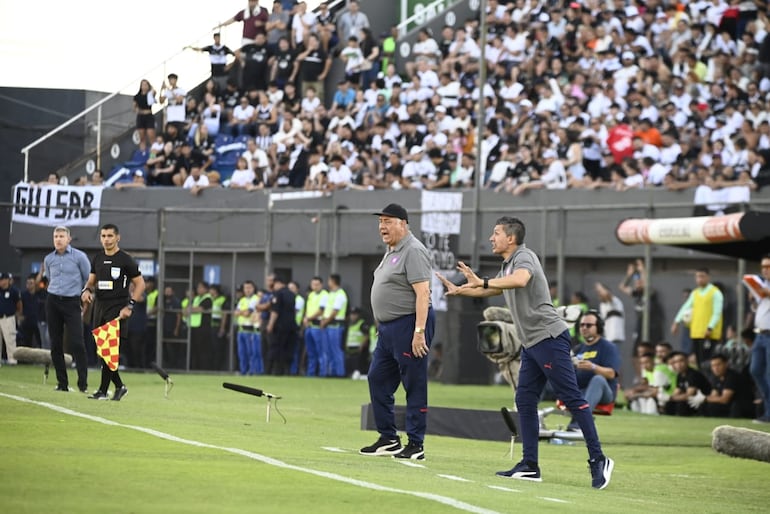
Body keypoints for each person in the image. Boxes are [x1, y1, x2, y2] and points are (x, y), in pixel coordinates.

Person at [435, 216, 614, 489]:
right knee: (525, 400)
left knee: (571, 398)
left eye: (496, 233)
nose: (491, 238)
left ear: (511, 238)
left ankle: (599, 459)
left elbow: (519, 281)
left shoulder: (524, 257)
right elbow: (492, 287)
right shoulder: (507, 264)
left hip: (550, 339)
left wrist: (482, 282)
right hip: (531, 344)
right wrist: (461, 289)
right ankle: (530, 465)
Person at [360, 203, 435, 461]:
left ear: (403, 223)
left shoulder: (413, 250)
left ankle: (416, 443)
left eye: (388, 221)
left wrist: (419, 331)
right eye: (380, 221)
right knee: (377, 379)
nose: (382, 226)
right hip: (389, 328)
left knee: (413, 383)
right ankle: (389, 438)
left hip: (409, 323)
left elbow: (423, 293)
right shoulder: (392, 250)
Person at [81, 224, 145, 401]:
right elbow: (91, 281)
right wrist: (86, 291)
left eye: (110, 236)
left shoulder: (125, 259)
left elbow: (140, 284)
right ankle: (119, 386)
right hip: (99, 307)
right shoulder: (97, 258)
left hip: (117, 307)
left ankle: (103, 390)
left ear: (118, 238)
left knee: (109, 349)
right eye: (103, 236)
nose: (106, 239)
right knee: (103, 350)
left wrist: (130, 305)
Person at [37, 227, 90, 390]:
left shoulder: (79, 257)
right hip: (52, 301)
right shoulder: (48, 259)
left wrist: (85, 300)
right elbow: (50, 279)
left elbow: (88, 279)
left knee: (77, 342)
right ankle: (62, 383)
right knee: (55, 343)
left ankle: (82, 383)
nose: (58, 239)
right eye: (55, 236)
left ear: (69, 239)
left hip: (72, 302)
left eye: (61, 236)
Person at [567, 310, 621, 430]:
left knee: (598, 379)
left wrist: (593, 367)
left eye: (589, 325)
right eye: (582, 325)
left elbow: (612, 374)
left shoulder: (608, 347)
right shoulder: (577, 349)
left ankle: (578, 423)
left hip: (604, 393)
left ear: (599, 327)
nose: (584, 328)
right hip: (581, 391)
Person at [671, 268, 724, 370]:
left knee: (708, 361)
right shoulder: (695, 293)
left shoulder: (715, 293)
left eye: (702, 276)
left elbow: (717, 312)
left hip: (709, 334)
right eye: (697, 277)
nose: (699, 279)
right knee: (699, 362)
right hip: (696, 332)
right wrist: (676, 321)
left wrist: (710, 327)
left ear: (708, 277)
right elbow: (686, 307)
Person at [750, 254, 770, 423]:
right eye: (763, 267)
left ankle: (768, 413)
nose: (765, 270)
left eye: (768, 267)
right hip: (760, 334)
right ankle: (768, 408)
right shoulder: (763, 285)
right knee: (756, 370)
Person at [663, 351, 711, 416]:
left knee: (681, 404)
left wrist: (670, 398)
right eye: (675, 362)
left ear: (687, 361)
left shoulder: (693, 374)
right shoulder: (679, 375)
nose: (678, 364)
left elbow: (689, 395)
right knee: (669, 404)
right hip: (690, 401)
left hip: (701, 402)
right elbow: (677, 391)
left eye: (681, 361)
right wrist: (667, 397)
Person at [266, 274, 297, 375]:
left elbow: (275, 311)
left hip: (280, 326)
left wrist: (270, 324)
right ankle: (287, 371)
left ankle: (272, 371)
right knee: (288, 349)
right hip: (291, 326)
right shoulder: (292, 294)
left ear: (277, 283)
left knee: (275, 348)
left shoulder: (278, 294)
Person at [321, 273, 348, 377]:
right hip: (328, 325)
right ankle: (331, 372)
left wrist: (325, 321)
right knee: (329, 351)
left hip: (335, 325)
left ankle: (340, 372)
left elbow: (335, 311)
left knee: (336, 350)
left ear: (333, 281)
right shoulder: (331, 294)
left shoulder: (340, 294)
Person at [303, 276, 328, 376]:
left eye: (317, 284)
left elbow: (321, 310)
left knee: (321, 351)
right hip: (309, 326)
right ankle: (311, 373)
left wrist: (308, 318)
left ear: (321, 285)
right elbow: (308, 308)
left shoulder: (324, 295)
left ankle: (322, 373)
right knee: (310, 352)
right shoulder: (311, 295)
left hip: (318, 326)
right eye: (313, 284)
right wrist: (305, 318)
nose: (315, 286)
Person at [0, 273, 21, 366]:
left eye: (2, 280)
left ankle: (12, 359)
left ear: (7, 280)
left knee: (10, 339)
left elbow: (19, 303)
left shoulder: (13, 291)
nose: (1, 282)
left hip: (8, 317)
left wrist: (18, 314)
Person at [133, 79, 157, 151]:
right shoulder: (137, 96)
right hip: (141, 117)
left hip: (149, 116)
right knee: (142, 138)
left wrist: (151, 88)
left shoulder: (150, 94)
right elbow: (134, 107)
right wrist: (137, 110)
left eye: (146, 85)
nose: (144, 86)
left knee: (151, 137)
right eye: (143, 85)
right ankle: (143, 155)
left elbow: (154, 91)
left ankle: (153, 156)